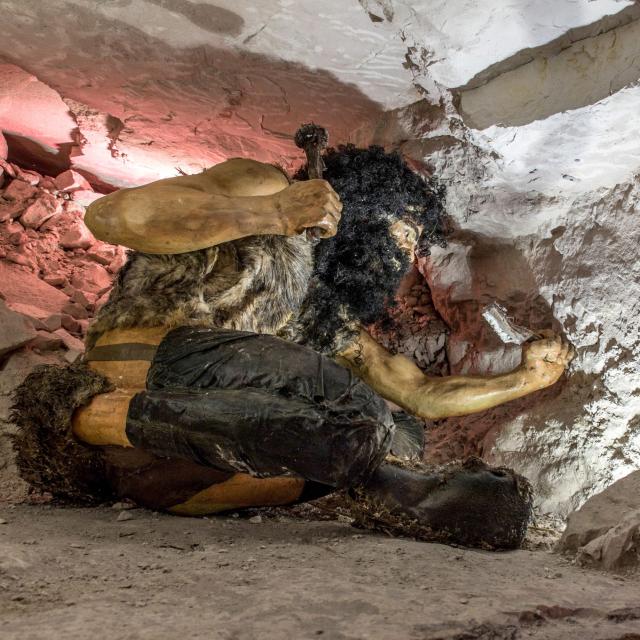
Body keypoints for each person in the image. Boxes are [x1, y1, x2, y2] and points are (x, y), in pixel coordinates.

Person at [12, 146, 574, 549]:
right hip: (146, 359)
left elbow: (420, 393)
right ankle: (93, 416)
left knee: (398, 431)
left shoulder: (319, 317)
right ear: (359, 203)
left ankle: (108, 424)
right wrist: (273, 213)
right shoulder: (260, 186)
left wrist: (527, 378)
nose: (401, 255)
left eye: (411, 244)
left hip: (179, 479)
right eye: (399, 229)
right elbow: (111, 215)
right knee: (364, 419)